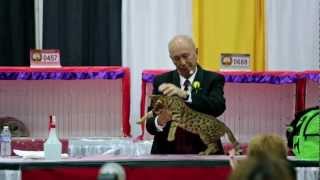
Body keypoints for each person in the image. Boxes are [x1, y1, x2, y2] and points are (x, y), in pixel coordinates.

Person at [146, 35, 226, 154]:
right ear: (171, 59)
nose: (182, 62)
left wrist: (186, 95)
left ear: (196, 52)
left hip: (204, 152)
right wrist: (159, 121)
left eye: (185, 56)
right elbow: (150, 124)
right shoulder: (161, 81)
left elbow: (217, 107)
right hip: (167, 154)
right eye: (176, 58)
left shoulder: (213, 79)